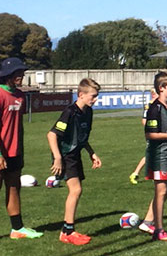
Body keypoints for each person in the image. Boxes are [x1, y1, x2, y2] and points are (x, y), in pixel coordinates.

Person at [46, 78, 102, 245]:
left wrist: (92, 153)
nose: (95, 99)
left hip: (75, 154)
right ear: (81, 95)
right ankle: (68, 231)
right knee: (75, 190)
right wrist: (57, 158)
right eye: (93, 96)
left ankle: (67, 230)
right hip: (65, 155)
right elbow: (52, 134)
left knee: (78, 190)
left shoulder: (88, 112)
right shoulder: (69, 112)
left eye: (97, 96)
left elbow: (82, 137)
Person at [138, 71, 167, 241]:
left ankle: (148, 221)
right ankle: (159, 230)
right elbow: (150, 135)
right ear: (161, 88)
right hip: (158, 156)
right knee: (161, 190)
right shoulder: (154, 109)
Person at [0, 57, 42, 239]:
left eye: (22, 73)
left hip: (15, 152)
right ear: (7, 75)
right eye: (17, 73)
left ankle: (17, 229)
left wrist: (19, 150)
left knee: (14, 188)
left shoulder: (20, 96)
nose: (21, 76)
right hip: (1, 153)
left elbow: (17, 126)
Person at [130, 89, 157, 184]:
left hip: (158, 133)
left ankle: (154, 174)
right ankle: (135, 173)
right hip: (152, 134)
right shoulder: (149, 106)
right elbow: (144, 121)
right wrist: (153, 128)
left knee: (154, 154)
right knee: (150, 154)